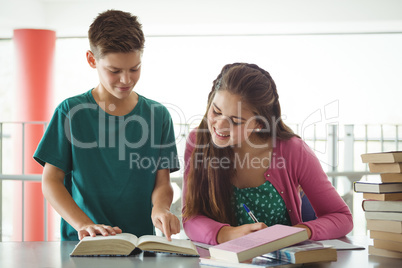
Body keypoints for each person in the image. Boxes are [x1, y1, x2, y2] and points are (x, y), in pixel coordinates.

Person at [34, 10, 180, 241]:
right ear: (92, 60)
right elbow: (51, 180)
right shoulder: (71, 112)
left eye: (134, 68)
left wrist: (161, 208)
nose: (126, 80)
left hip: (139, 244)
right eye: (114, 71)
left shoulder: (158, 115)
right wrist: (84, 224)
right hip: (82, 243)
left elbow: (162, 182)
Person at [182, 63, 353, 245]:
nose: (220, 126)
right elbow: (190, 217)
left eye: (236, 121)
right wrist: (226, 234)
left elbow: (341, 217)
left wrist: (295, 233)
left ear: (259, 124)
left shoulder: (293, 150)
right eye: (216, 111)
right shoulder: (197, 142)